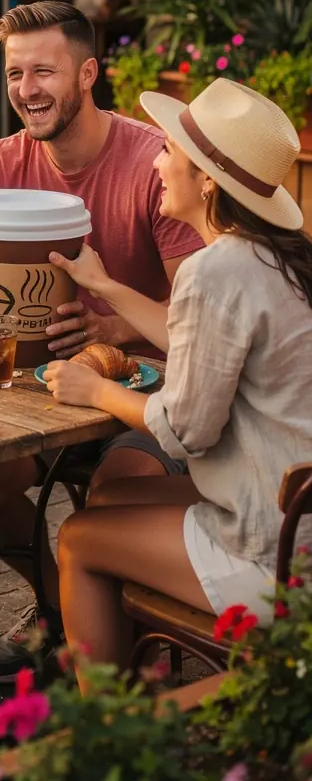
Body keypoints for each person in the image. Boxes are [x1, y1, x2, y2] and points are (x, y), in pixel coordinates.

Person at [0, 0, 204, 682]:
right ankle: (57, 604)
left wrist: (112, 327)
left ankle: (119, 657)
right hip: (42, 390)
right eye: (13, 74)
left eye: (43, 71)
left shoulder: (155, 163)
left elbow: (196, 307)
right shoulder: (2, 163)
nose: (26, 89)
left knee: (114, 492)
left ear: (88, 72)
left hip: (148, 389)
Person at [44, 78, 312, 691]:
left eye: (168, 151)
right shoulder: (281, 256)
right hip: (293, 519)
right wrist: (107, 286)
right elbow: (200, 345)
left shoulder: (213, 270)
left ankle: (115, 739)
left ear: (209, 181)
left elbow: (186, 429)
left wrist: (98, 392)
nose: (157, 163)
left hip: (273, 552)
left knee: (81, 538)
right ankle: (146, 683)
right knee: (109, 503)